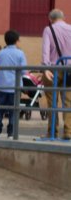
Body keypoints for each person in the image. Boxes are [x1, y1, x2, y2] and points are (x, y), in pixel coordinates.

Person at [41, 8, 71, 140]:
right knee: (69, 102)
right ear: (63, 17)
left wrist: (45, 67)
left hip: (52, 69)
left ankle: (52, 132)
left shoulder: (48, 30)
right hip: (69, 70)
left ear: (50, 19)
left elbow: (45, 50)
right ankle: (68, 132)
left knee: (51, 102)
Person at [0, 30, 27, 138]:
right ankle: (11, 132)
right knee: (13, 111)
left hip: (2, 86)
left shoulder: (1, 53)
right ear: (17, 41)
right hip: (15, 87)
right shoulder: (20, 53)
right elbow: (23, 71)